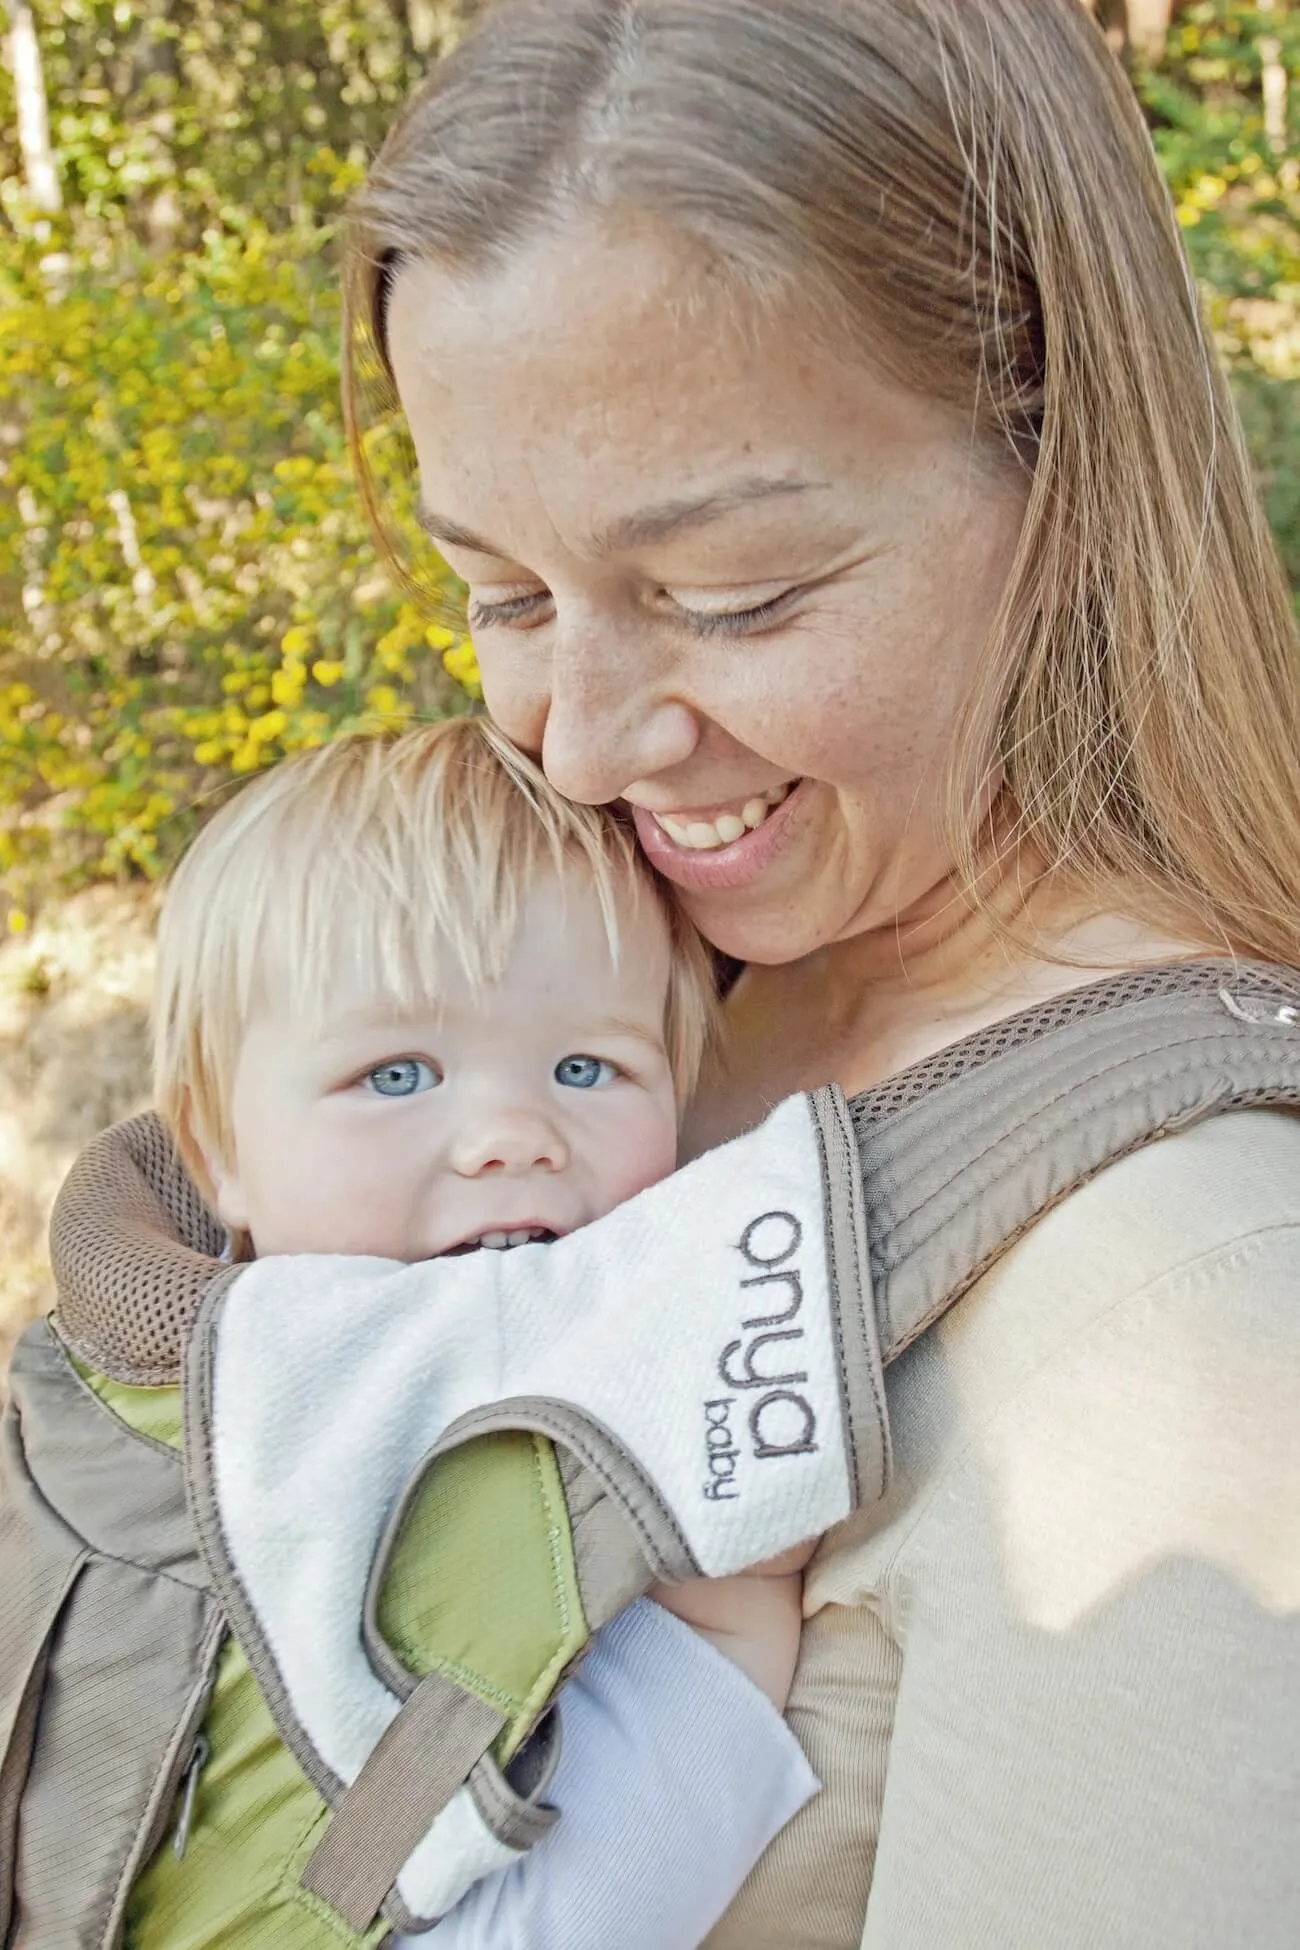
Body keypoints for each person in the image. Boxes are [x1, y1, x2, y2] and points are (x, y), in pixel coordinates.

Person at [331, 1, 1300, 1945]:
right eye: (498, 594)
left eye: (727, 599)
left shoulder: (1190, 1329)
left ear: (1062, 476)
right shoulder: (595, 997)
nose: (580, 742)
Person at [133, 712, 818, 1946]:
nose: (512, 1133)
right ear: (215, 1153)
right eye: (396, 1075)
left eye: (586, 1070)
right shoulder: (208, 1394)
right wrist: (735, 1621)